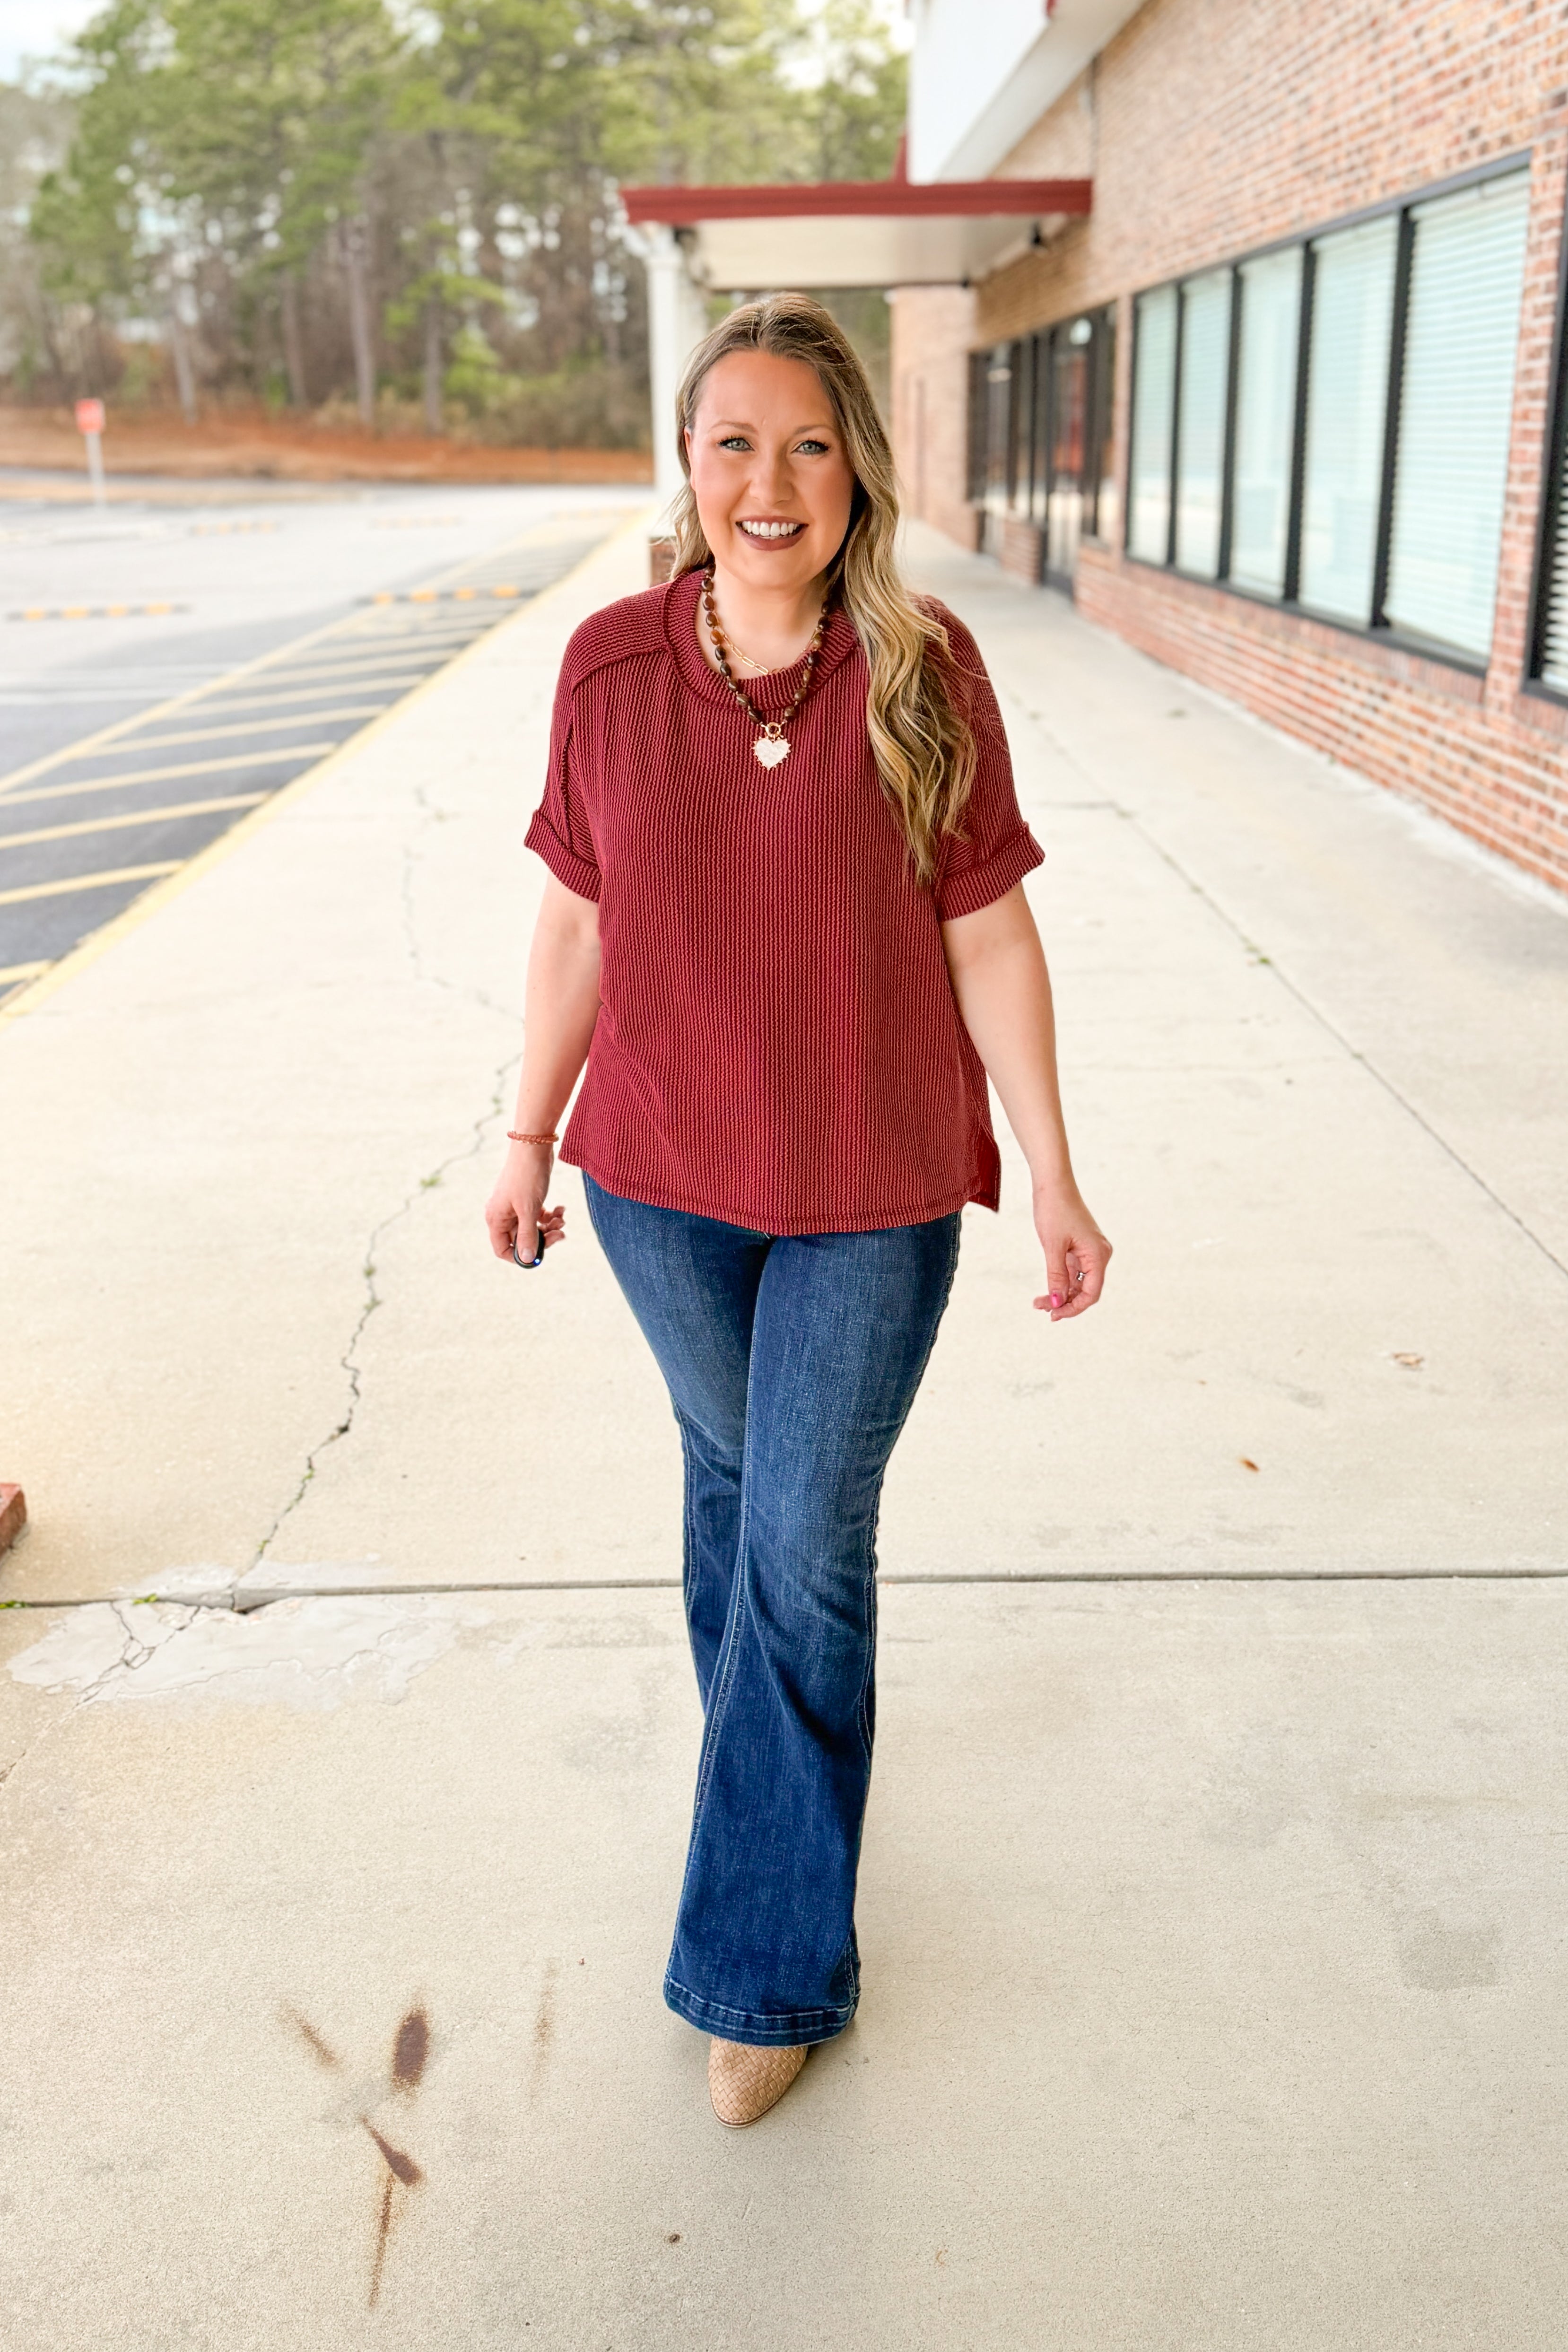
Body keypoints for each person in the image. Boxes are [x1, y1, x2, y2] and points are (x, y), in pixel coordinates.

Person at [484, 293, 1111, 2128]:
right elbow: (577, 918)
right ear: (687, 468)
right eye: (735, 440)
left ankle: (763, 1957)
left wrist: (1053, 1162)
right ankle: (784, 1778)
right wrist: (525, 1133)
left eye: (810, 444)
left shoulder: (926, 671)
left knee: (804, 1538)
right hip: (661, 1186)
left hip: (873, 1183)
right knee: (735, 1492)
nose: (772, 478)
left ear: (857, 476)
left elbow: (986, 925)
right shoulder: (606, 664)